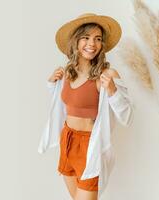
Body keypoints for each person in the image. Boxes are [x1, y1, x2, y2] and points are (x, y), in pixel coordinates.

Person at [38, 13, 134, 200]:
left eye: (97, 39)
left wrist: (113, 90)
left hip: (90, 147)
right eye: (86, 38)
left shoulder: (107, 75)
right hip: (67, 141)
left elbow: (127, 115)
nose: (92, 43)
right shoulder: (67, 72)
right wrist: (51, 84)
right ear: (76, 41)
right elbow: (67, 102)